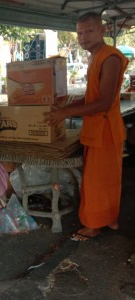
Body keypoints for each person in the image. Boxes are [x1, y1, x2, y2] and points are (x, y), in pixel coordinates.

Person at [44, 12, 129, 241]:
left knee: (96, 182)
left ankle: (93, 225)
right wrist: (73, 102)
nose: (83, 37)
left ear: (103, 31)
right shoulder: (96, 57)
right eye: (80, 32)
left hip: (106, 129)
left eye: (89, 31)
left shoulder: (110, 57)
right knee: (107, 179)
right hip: (97, 129)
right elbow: (95, 97)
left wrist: (65, 112)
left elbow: (104, 102)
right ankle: (110, 218)